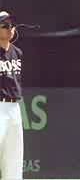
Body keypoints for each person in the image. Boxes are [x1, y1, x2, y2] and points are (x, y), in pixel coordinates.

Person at [0, 11, 24, 180]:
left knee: (14, 158)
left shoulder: (18, 53)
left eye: (12, 25)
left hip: (14, 107)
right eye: (5, 25)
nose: (10, 28)